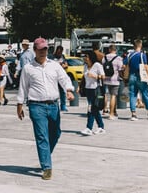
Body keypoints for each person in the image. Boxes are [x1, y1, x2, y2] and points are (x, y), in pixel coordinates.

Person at [16, 37, 74, 181]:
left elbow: (64, 78)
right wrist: (19, 104)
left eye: (45, 49)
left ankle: (45, 155)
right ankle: (47, 167)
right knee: (42, 136)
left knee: (56, 133)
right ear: (35, 50)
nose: (43, 52)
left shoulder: (54, 65)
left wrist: (68, 89)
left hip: (54, 105)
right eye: (40, 49)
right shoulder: (28, 68)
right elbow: (23, 87)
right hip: (36, 106)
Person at [125, 39, 148, 120]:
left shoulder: (129, 55)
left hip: (131, 76)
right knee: (145, 94)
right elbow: (145, 67)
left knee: (133, 95)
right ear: (140, 45)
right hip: (140, 76)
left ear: (134, 46)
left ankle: (133, 114)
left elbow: (124, 65)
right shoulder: (142, 55)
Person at [80, 51, 106, 136]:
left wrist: (95, 76)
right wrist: (79, 87)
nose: (85, 58)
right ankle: (101, 127)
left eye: (86, 56)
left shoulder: (97, 65)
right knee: (94, 109)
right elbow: (84, 78)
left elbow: (103, 76)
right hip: (88, 89)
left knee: (91, 109)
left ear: (91, 57)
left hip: (96, 89)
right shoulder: (85, 66)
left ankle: (89, 128)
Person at [102, 44, 123, 120]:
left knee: (105, 95)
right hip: (114, 79)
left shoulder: (104, 57)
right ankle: (111, 114)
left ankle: (104, 109)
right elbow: (120, 69)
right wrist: (122, 77)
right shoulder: (118, 58)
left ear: (109, 49)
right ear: (115, 50)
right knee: (113, 96)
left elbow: (102, 67)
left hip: (105, 79)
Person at [51, 46, 68, 111]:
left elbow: (66, 65)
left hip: (61, 76)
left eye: (60, 52)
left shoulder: (63, 56)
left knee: (62, 91)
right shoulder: (52, 57)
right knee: (54, 91)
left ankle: (63, 106)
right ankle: (54, 105)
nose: (59, 53)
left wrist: (64, 65)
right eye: (58, 52)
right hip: (53, 76)